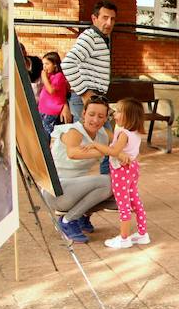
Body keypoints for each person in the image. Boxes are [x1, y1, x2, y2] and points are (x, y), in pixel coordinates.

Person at [48, 96, 127, 243]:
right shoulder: (74, 131)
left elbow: (123, 142)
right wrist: (108, 151)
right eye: (91, 114)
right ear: (83, 114)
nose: (95, 120)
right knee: (108, 182)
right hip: (57, 189)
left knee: (122, 186)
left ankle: (81, 216)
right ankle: (68, 221)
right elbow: (73, 153)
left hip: (75, 189)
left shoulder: (104, 134)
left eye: (101, 116)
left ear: (105, 119)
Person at [61, 0, 116, 173]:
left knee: (105, 141)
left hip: (96, 100)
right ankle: (108, 185)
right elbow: (68, 63)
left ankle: (108, 184)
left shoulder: (100, 38)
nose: (108, 23)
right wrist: (85, 93)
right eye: (104, 17)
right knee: (105, 141)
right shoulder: (91, 37)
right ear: (94, 18)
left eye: (112, 19)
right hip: (87, 100)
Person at [89, 98, 150, 250]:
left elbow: (115, 152)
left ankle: (124, 238)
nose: (114, 114)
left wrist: (97, 145)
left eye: (118, 111)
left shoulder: (124, 133)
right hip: (132, 168)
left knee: (123, 204)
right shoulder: (132, 131)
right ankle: (143, 234)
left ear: (128, 116)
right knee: (135, 200)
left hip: (121, 171)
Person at [37, 52, 70, 136]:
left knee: (47, 133)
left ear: (55, 64)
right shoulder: (50, 76)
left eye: (47, 64)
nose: (44, 67)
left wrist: (44, 77)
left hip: (51, 111)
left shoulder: (59, 76)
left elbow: (51, 90)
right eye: (43, 64)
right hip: (43, 109)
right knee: (41, 132)